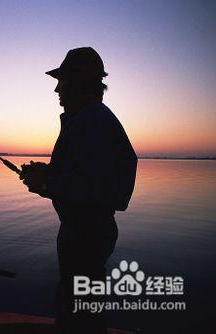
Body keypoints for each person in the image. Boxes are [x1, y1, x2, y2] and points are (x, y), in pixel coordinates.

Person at [20, 47, 137, 333]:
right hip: (83, 231)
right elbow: (87, 174)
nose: (57, 89)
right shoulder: (86, 119)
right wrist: (47, 173)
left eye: (62, 81)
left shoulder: (93, 121)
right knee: (81, 305)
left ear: (79, 82)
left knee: (79, 312)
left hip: (86, 233)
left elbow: (105, 189)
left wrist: (47, 184)